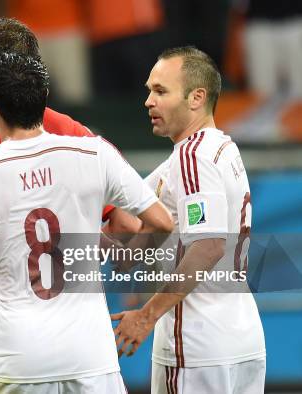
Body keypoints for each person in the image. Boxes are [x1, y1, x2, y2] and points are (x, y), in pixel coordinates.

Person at [0, 51, 173, 393]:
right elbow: (161, 222)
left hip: (16, 357)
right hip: (91, 356)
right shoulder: (93, 152)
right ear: (44, 99)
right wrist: (99, 247)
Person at [111, 46, 266, 393]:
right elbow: (128, 231)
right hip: (241, 338)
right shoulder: (220, 148)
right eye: (149, 90)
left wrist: (146, 316)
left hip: (196, 344)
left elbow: (208, 246)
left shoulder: (192, 157)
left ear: (197, 97)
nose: (148, 101)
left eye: (160, 91)